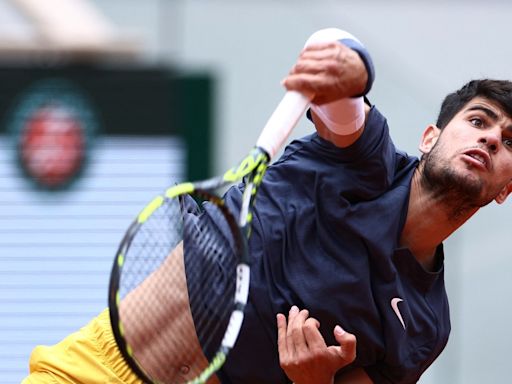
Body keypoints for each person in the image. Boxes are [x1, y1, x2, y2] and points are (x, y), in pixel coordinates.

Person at [22, 28, 512, 384]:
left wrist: (315, 383)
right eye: (479, 121)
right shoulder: (364, 159)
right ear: (430, 136)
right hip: (92, 371)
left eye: (509, 142)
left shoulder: (426, 324)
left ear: (505, 189)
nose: (490, 139)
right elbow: (339, 82)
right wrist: (353, 67)